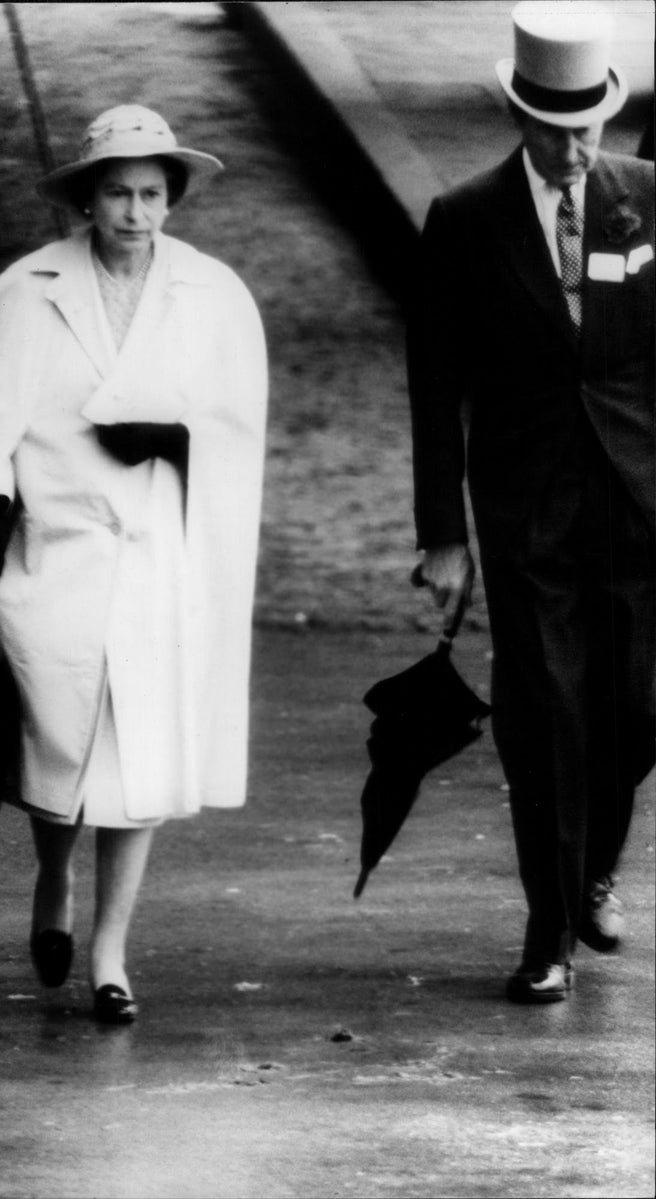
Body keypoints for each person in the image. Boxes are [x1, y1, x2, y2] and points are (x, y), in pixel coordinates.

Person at [0, 105, 268, 1023]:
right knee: (58, 748)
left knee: (138, 768)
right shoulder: (27, 290)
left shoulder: (212, 294)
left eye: (154, 195)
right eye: (119, 194)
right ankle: (53, 880)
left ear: (175, 199)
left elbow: (240, 426)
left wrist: (178, 435)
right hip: (58, 548)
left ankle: (112, 952)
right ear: (88, 200)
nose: (136, 213)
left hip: (160, 554)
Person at [407, 3, 654, 1003]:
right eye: (550, 130)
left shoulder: (644, 199)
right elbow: (435, 383)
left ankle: (594, 862)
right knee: (544, 714)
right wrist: (441, 533)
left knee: (635, 709)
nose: (568, 150)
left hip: (636, 499)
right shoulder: (463, 221)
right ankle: (544, 925)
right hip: (523, 508)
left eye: (584, 130)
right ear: (517, 116)